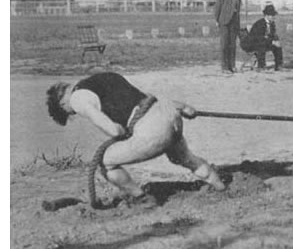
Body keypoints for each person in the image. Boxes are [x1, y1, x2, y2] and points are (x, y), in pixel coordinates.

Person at [45, 72, 226, 206]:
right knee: (185, 158)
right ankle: (218, 185)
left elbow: (110, 128)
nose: (74, 113)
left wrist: (117, 131)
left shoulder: (77, 98)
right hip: (166, 113)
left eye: (69, 113)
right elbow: (142, 97)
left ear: (62, 103)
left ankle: (142, 198)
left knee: (104, 162)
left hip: (151, 128)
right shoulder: (103, 77)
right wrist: (182, 106)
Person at [213, 0, 243, 74]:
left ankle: (232, 66)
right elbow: (217, 7)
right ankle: (225, 67)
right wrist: (217, 20)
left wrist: (238, 23)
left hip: (234, 22)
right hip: (224, 22)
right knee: (225, 44)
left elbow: (238, 10)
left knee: (233, 45)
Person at [244, 4, 283, 71]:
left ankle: (278, 65)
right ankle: (261, 66)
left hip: (264, 42)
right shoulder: (260, 24)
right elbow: (258, 38)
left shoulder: (272, 24)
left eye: (274, 15)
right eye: (272, 15)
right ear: (266, 16)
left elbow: (272, 35)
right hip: (253, 43)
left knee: (277, 47)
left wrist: (276, 41)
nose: (273, 17)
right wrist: (272, 41)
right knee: (261, 45)